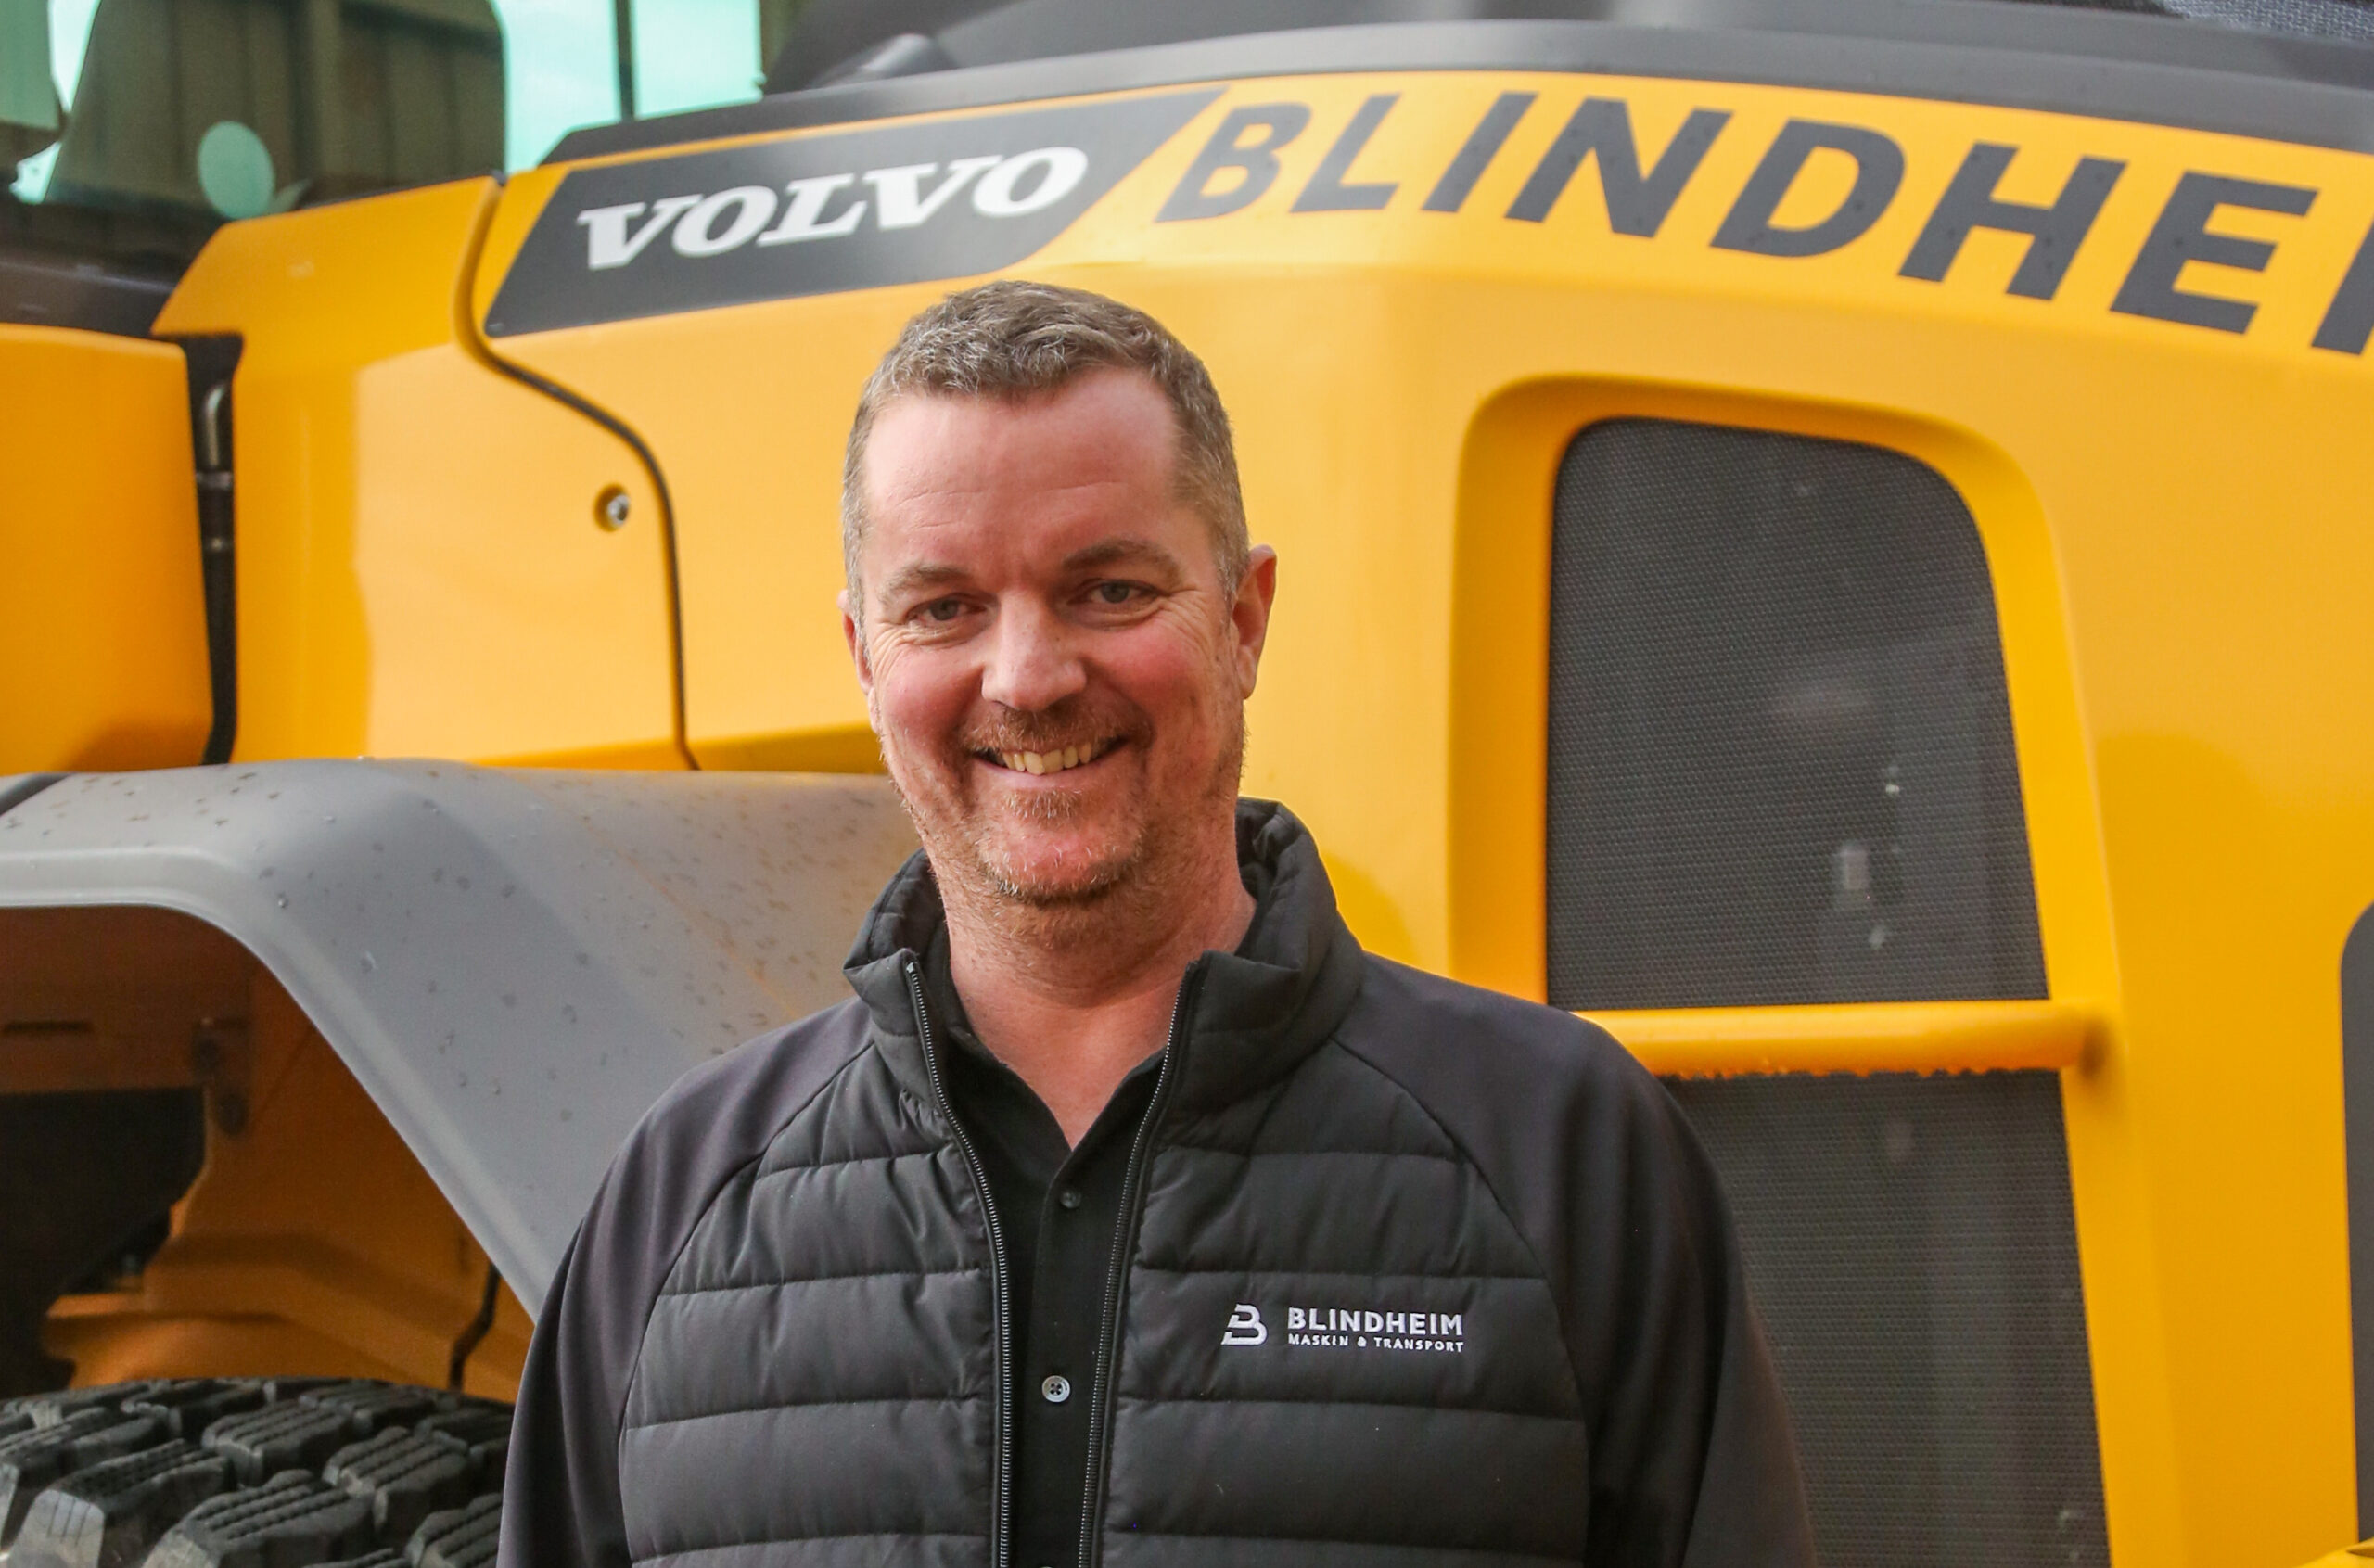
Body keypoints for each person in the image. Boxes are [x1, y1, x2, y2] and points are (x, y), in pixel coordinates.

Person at [500, 280, 1815, 1568]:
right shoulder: (672, 1206)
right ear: (864, 656)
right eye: (944, 608)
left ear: (1243, 619)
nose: (1027, 677)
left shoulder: (1568, 1160)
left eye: (1111, 590)